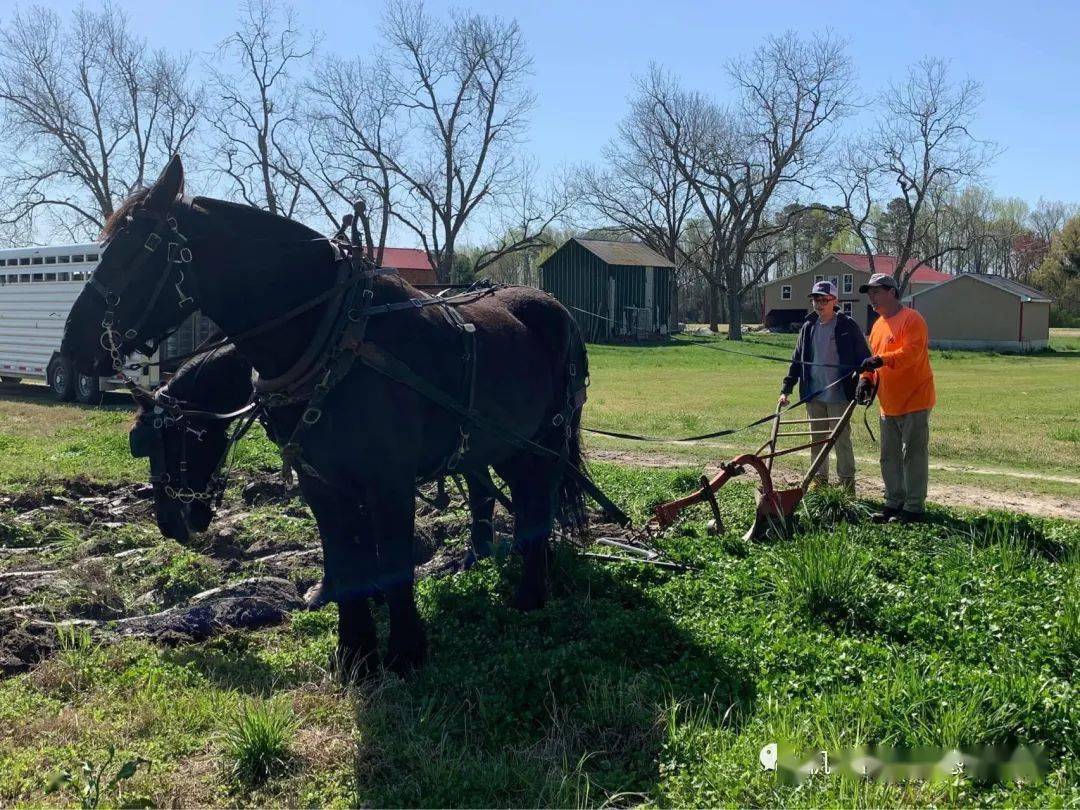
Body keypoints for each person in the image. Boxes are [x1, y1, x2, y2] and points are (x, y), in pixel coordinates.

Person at [855, 273, 936, 524]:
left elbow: (911, 353)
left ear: (892, 292)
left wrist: (882, 360)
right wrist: (866, 378)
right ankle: (893, 502)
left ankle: (913, 507)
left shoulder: (912, 319)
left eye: (876, 291)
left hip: (915, 399)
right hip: (887, 403)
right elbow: (873, 357)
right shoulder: (877, 326)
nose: (872, 297)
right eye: (869, 292)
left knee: (913, 455)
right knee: (889, 456)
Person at [779, 280, 870, 493]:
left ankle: (847, 487)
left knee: (841, 441)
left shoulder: (847, 326)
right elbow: (797, 362)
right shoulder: (808, 327)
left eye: (823, 300)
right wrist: (786, 389)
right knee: (816, 441)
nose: (819, 304)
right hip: (814, 395)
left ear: (834, 301)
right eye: (815, 300)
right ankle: (820, 486)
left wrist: (863, 380)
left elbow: (865, 359)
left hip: (840, 395)